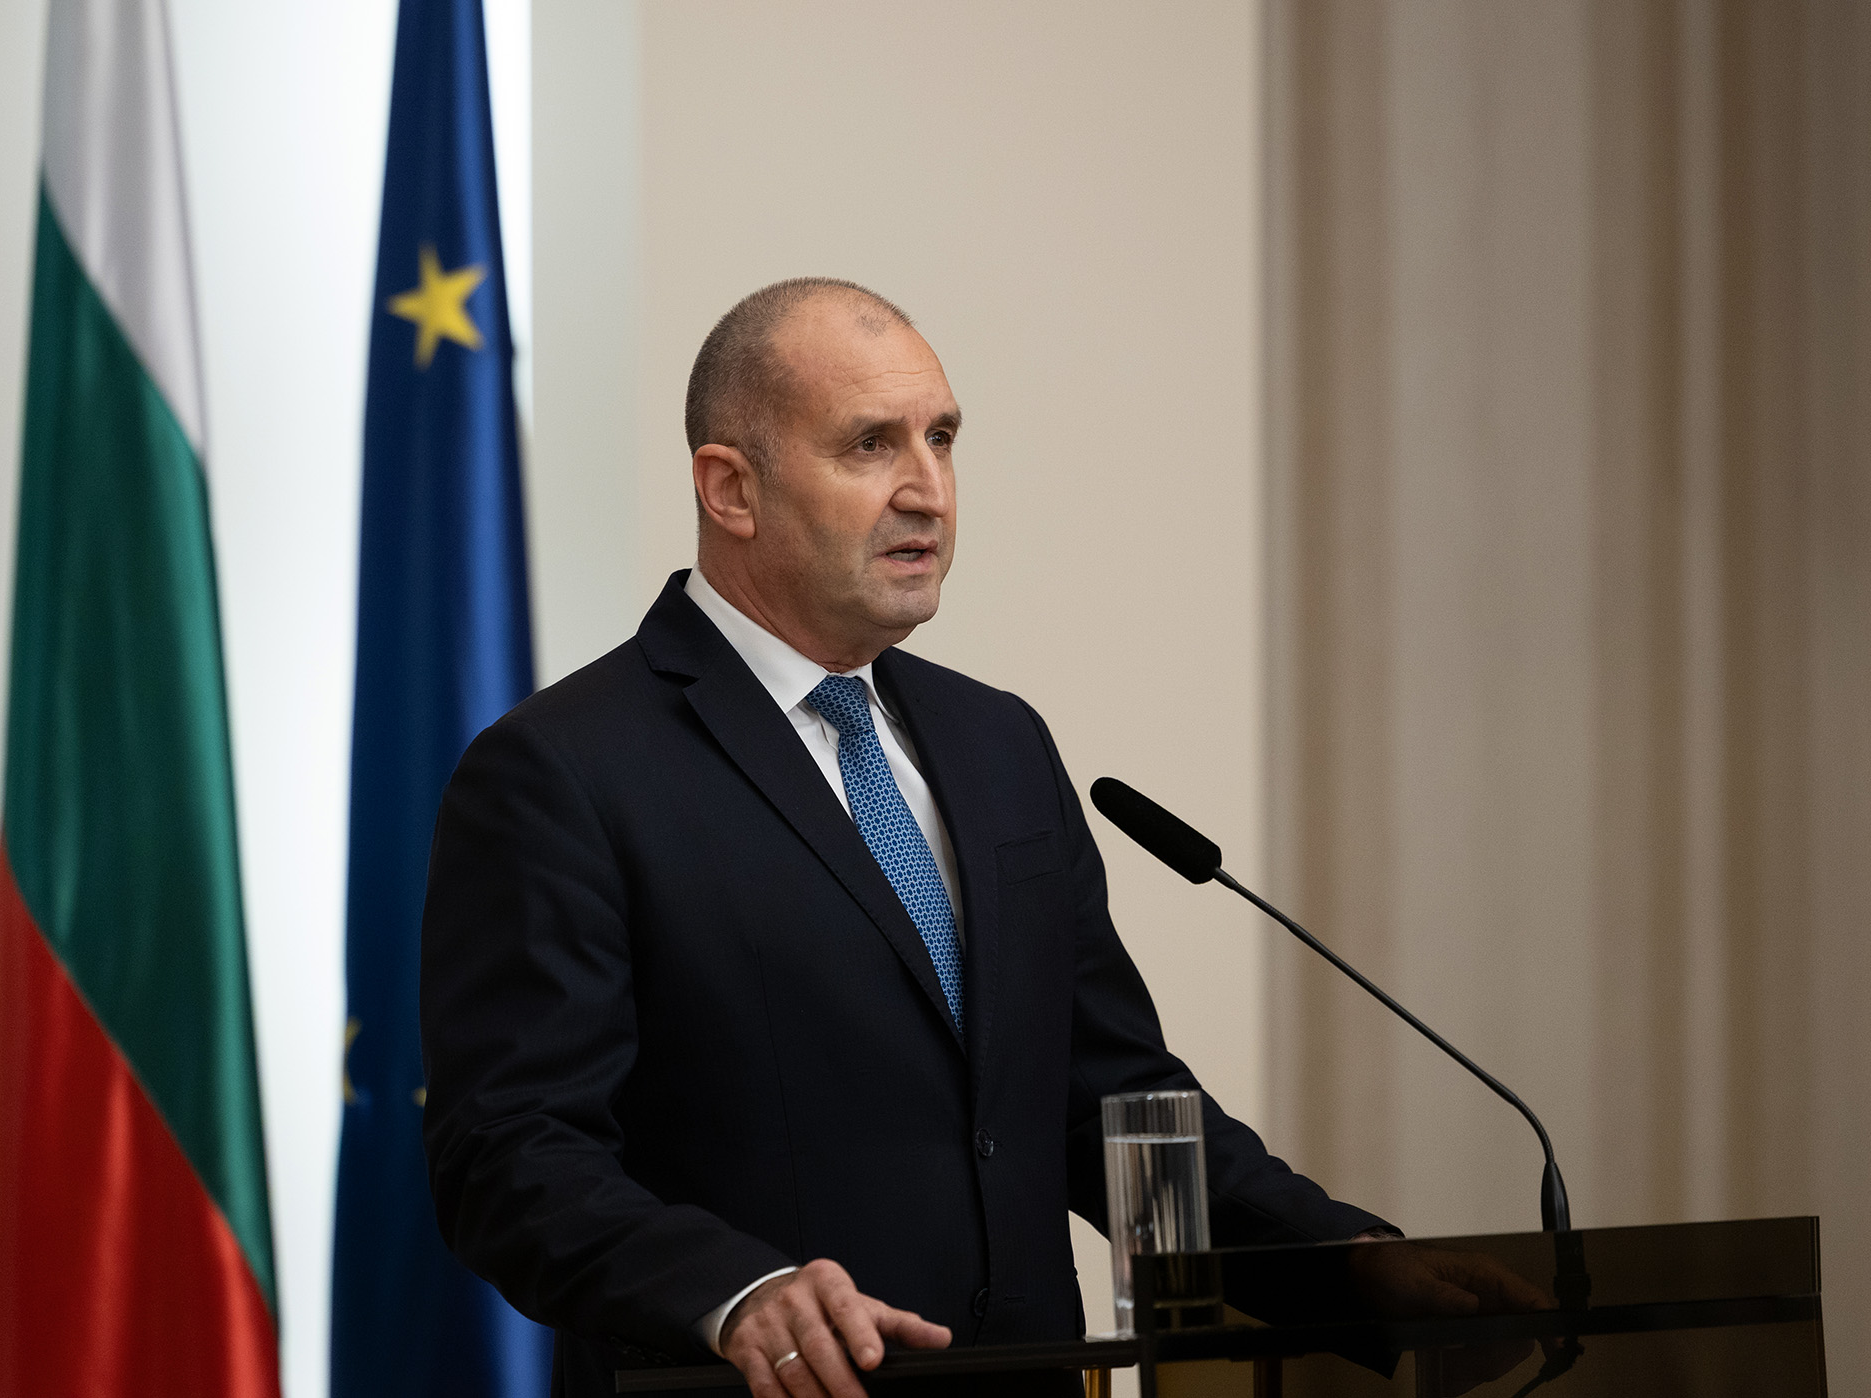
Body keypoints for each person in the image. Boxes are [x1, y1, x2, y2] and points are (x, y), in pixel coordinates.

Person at [421, 279, 1399, 1398]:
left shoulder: (999, 742)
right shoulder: (565, 770)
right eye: (869, 445)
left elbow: (1108, 1102)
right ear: (731, 489)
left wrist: (1348, 1266)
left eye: (940, 438)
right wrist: (736, 1293)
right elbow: (510, 1156)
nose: (927, 490)